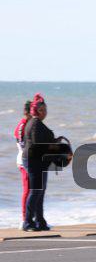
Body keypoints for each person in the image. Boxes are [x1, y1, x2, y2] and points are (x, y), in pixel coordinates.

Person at [22, 94, 56, 231]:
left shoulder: (36, 123)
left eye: (45, 109)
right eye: (41, 110)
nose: (44, 112)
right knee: (36, 191)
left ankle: (40, 221)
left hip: (37, 161)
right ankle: (27, 223)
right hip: (34, 161)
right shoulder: (35, 124)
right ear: (35, 111)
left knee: (40, 191)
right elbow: (38, 146)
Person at [14, 100, 32, 222]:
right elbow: (24, 146)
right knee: (27, 190)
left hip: (28, 160)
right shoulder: (22, 126)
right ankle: (24, 219)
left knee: (33, 190)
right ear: (27, 112)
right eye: (32, 112)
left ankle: (31, 217)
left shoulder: (28, 124)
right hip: (24, 161)